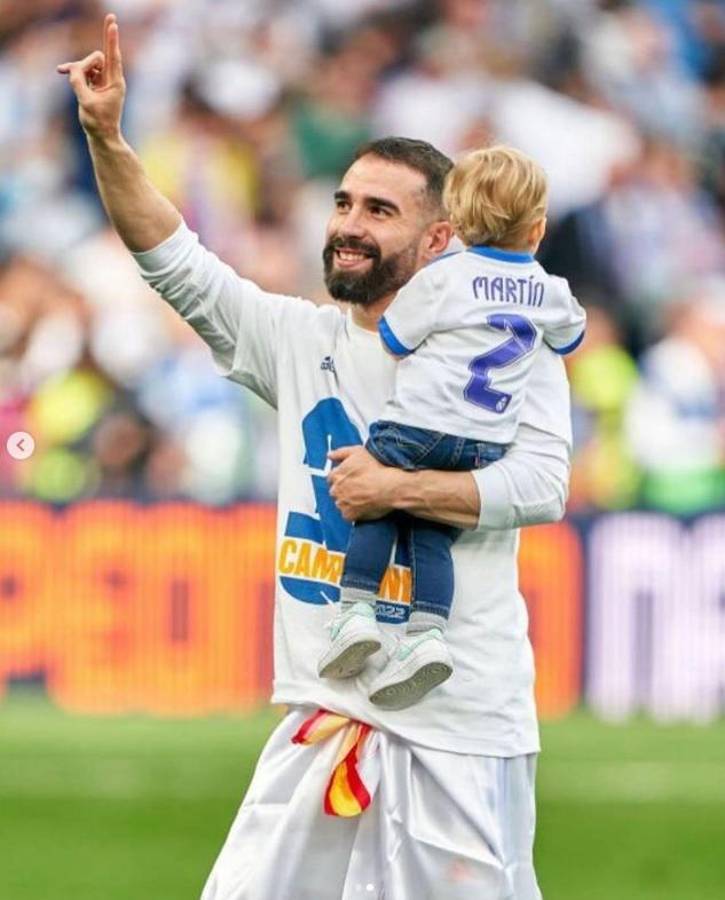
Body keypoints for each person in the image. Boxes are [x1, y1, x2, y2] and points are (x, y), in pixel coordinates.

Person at [59, 15, 573, 899]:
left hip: (460, 721)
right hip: (326, 712)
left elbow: (543, 484)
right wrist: (107, 138)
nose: (347, 225)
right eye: (342, 203)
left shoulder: (509, 346)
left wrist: (395, 486)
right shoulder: (296, 338)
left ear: (441, 239)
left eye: (379, 211)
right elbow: (171, 258)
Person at [321, 146, 586, 711]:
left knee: (377, 498)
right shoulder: (549, 289)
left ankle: (355, 613)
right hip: (483, 442)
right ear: (537, 229)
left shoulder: (447, 278)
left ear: (459, 225)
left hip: (422, 422)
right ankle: (427, 635)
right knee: (432, 529)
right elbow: (571, 338)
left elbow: (394, 338)